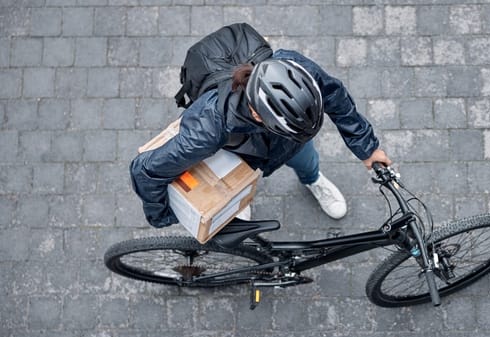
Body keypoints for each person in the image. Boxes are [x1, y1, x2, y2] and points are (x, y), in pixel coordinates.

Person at [130, 49, 392, 228]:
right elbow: (146, 170)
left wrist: (367, 148)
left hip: (289, 144)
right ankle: (240, 199)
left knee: (307, 159)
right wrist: (165, 216)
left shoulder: (293, 66)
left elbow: (335, 97)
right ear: (256, 113)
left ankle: (313, 180)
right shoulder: (208, 129)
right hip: (239, 152)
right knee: (239, 178)